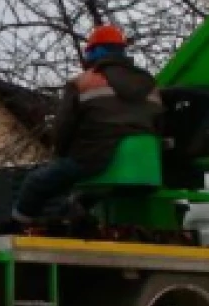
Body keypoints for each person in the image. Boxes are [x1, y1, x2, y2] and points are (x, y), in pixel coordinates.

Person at [12, 24, 164, 226]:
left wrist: (62, 155)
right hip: (144, 165)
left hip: (94, 156)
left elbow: (63, 128)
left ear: (95, 52)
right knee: (87, 191)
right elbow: (160, 122)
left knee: (36, 183)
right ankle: (72, 217)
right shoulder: (150, 84)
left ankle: (18, 227)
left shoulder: (83, 82)